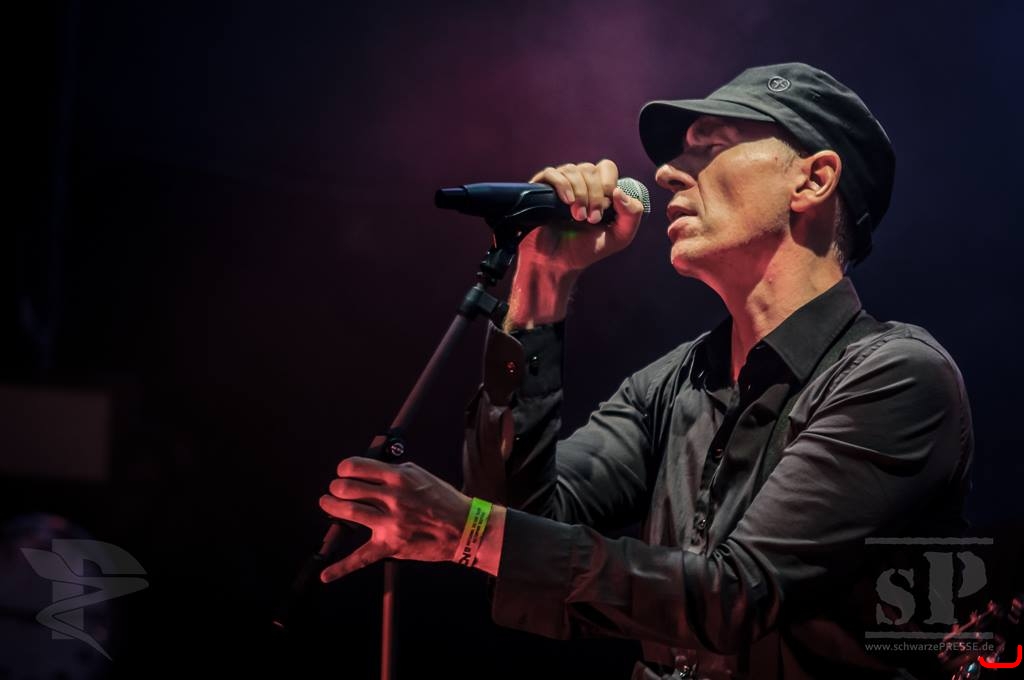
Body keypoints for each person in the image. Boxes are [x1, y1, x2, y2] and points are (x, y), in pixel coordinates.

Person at [316, 63, 974, 679]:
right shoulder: (671, 384)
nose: (665, 174)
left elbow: (736, 596)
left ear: (813, 179)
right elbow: (520, 528)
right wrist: (543, 279)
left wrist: (473, 530)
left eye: (711, 146)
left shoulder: (898, 378)